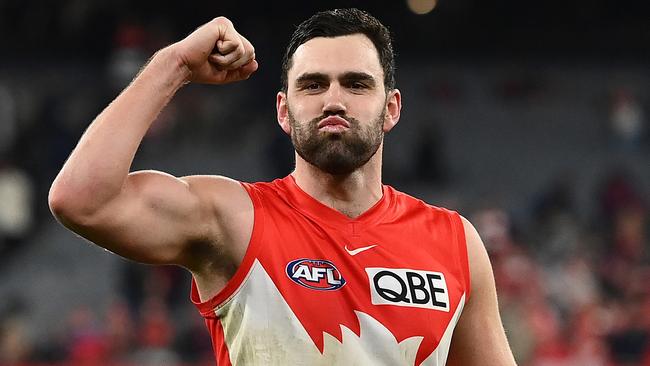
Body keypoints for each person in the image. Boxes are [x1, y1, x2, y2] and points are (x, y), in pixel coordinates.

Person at [49, 8, 517, 365]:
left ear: (391, 108)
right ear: (283, 111)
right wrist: (174, 64)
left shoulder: (455, 243)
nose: (334, 100)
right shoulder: (233, 219)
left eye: (356, 84)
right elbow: (82, 200)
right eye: (313, 85)